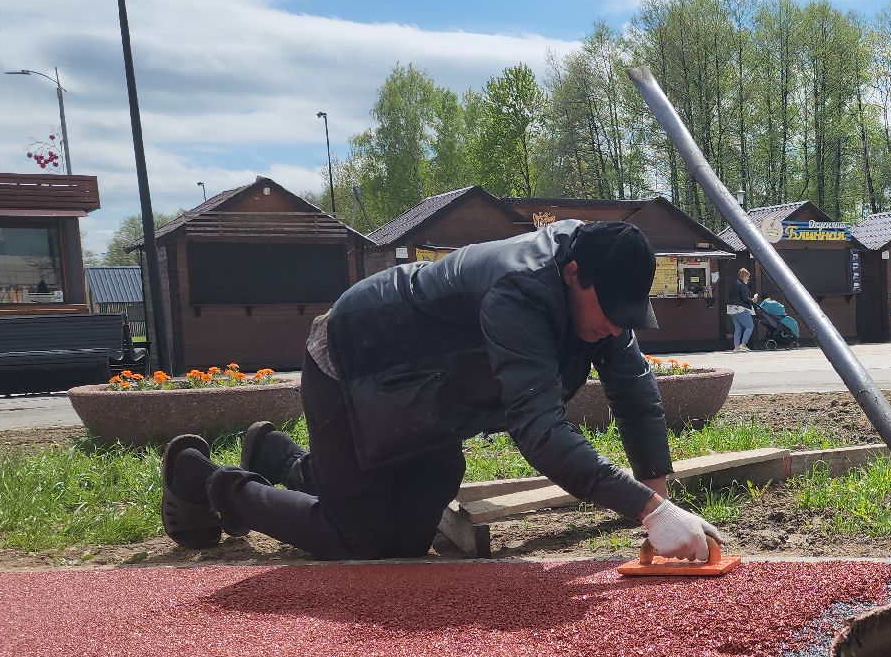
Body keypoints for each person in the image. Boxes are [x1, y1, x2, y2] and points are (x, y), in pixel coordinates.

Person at [157, 220, 718, 563]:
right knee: (358, 539)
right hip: (354, 364)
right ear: (573, 273)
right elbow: (539, 429)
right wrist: (648, 511)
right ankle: (204, 480)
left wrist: (660, 502)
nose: (618, 327)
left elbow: (633, 390)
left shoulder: (603, 272)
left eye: (628, 316)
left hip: (427, 398)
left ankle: (275, 455)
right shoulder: (520, 292)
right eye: (611, 313)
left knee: (404, 544)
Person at [727, 267, 756, 351]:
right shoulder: (742, 285)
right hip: (741, 309)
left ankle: (736, 347)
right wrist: (753, 300)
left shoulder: (734, 284)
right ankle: (743, 345)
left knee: (738, 328)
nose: (748, 278)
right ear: (743, 276)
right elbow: (745, 299)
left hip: (731, 310)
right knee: (750, 326)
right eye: (747, 276)